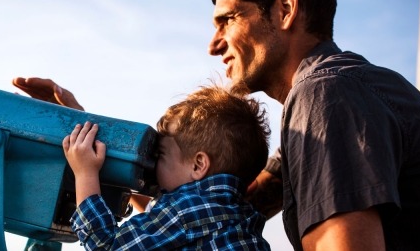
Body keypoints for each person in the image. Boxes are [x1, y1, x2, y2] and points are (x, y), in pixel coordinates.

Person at [15, 0, 420, 250]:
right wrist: (88, 132)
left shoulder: (328, 96)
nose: (213, 43)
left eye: (228, 19)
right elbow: (212, 197)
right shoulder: (324, 107)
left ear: (285, 7)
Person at [62, 86, 271, 250]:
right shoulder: (239, 216)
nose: (153, 164)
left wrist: (85, 173)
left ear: (198, 165)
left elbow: (107, 246)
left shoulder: (189, 209)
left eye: (161, 154)